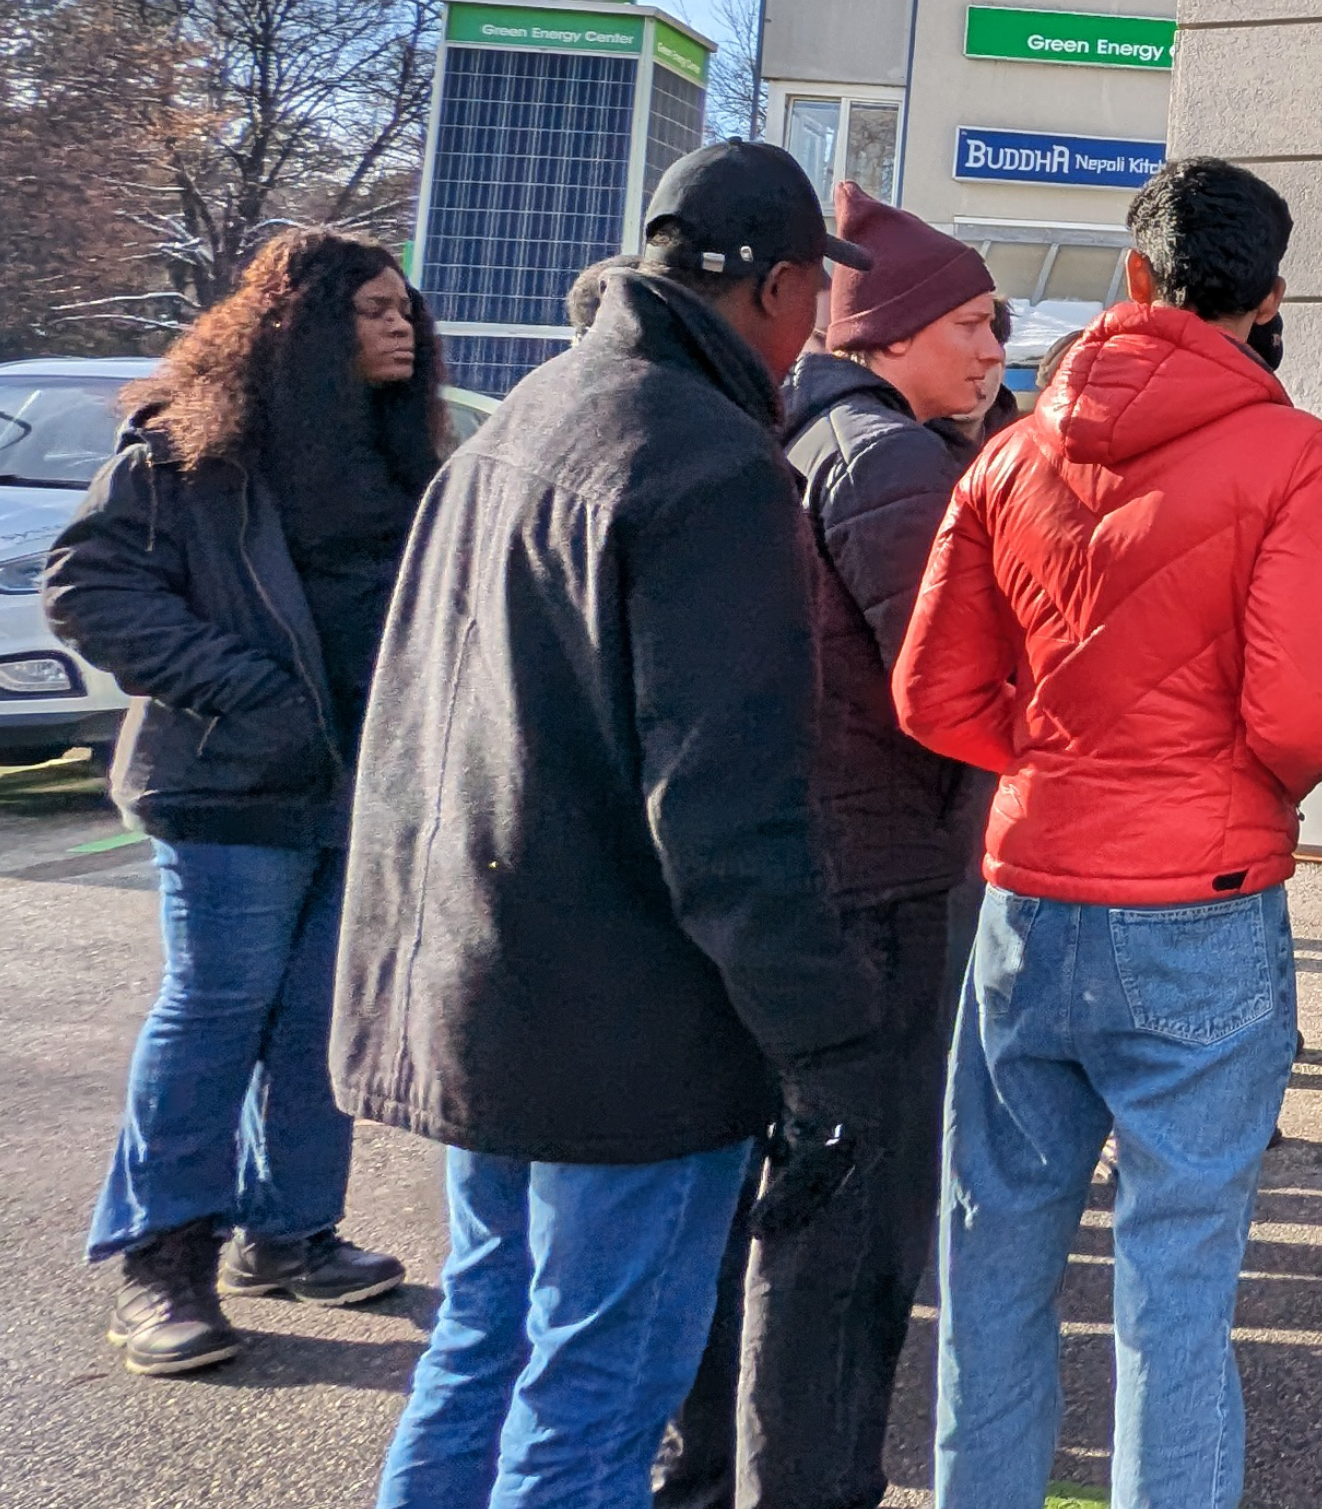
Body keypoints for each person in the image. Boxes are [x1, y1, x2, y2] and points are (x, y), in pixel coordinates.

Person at [343, 143, 888, 1509]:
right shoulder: (711, 464)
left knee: (486, 1343)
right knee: (592, 1395)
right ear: (776, 286)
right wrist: (828, 1051)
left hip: (480, 977)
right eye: (816, 285)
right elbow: (729, 812)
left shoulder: (529, 413)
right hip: (622, 1034)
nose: (818, 316)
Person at [896, 156, 1322, 1509]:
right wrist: (1226, 786)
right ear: (1271, 297)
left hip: (1031, 891)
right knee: (1175, 1291)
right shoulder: (1290, 453)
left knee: (993, 1267)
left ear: (1138, 274)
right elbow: (1297, 714)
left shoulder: (1008, 453)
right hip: (1201, 897)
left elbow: (932, 692)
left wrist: (1055, 760)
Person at [660, 184, 1007, 1509]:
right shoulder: (893, 462)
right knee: (845, 1236)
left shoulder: (801, 438)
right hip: (877, 890)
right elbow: (957, 682)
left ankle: (706, 1472)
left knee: (758, 1217)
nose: (991, 352)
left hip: (801, 875)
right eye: (972, 324)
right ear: (887, 331)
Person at [44, 231, 438, 1376]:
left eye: (404, 307)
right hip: (225, 779)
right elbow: (88, 586)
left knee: (321, 1018)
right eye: (373, 309)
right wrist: (245, 690)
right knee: (218, 1007)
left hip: (357, 782)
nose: (400, 325)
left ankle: (289, 1231)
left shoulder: (402, 449)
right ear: (303, 325)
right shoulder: (189, 449)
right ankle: (162, 1260)